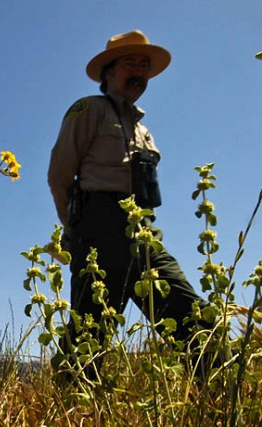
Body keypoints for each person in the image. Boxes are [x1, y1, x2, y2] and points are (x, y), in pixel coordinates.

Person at [48, 29, 208, 380]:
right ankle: (69, 413)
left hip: (142, 228)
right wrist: (74, 229)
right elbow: (59, 176)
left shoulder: (143, 130)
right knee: (89, 333)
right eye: (129, 63)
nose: (139, 71)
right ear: (108, 73)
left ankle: (220, 399)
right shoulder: (88, 109)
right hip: (98, 226)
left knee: (191, 314)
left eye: (144, 65)